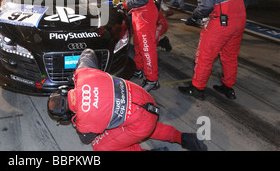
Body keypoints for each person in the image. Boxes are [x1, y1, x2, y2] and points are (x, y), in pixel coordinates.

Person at [47, 49, 207, 151]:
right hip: (147, 99)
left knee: (100, 146)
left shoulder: (84, 123)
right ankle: (185, 138)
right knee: (137, 121)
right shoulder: (83, 74)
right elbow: (88, 53)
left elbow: (86, 138)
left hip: (141, 122)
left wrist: (77, 121)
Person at [178, 0, 246, 101]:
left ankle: (197, 89)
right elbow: (244, 0)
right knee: (230, 57)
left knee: (204, 57)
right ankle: (228, 87)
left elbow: (205, 6)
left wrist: (194, 18)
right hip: (239, 22)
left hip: (221, 24)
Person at [109, 0, 160, 91]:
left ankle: (152, 79)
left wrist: (124, 4)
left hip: (145, 14)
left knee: (147, 48)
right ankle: (139, 68)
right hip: (139, 14)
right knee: (138, 44)